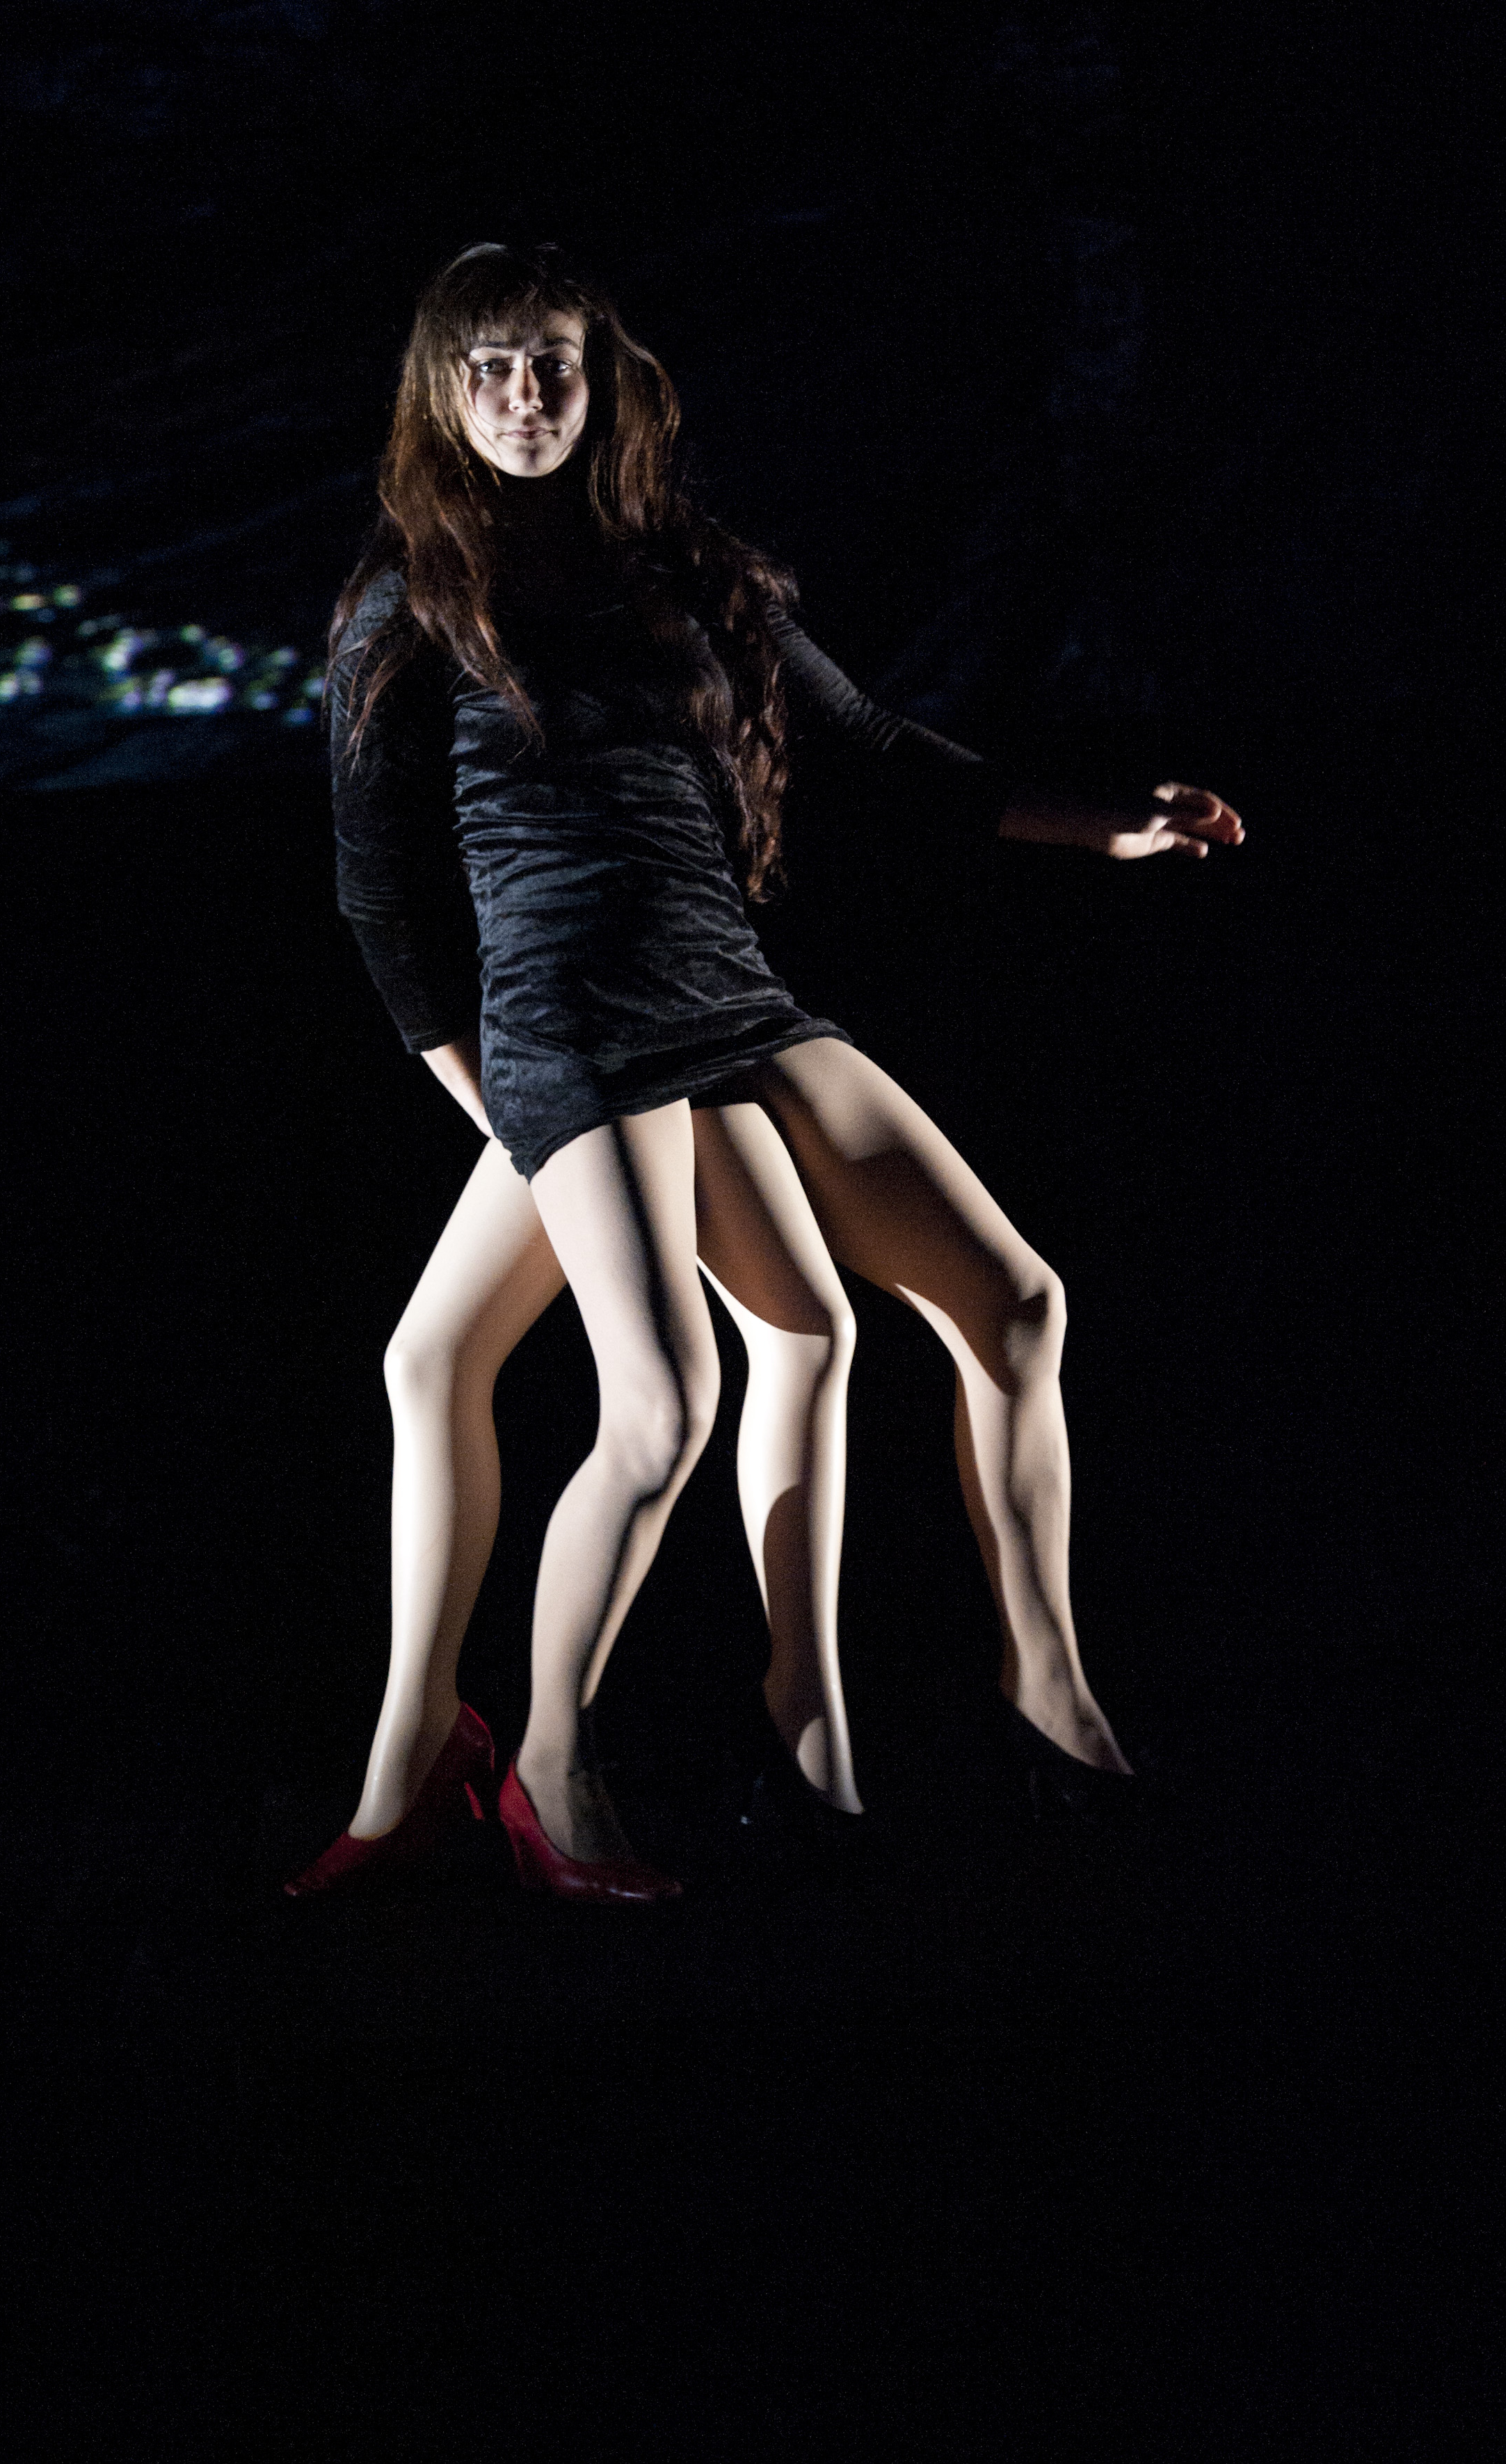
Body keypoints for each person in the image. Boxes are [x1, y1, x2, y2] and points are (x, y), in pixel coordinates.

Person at [291, 241, 1242, 1906]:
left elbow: (871, 745)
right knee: (662, 1403)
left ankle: (1041, 1691)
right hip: (567, 1029)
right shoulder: (412, 597)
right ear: (442, 393)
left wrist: (1101, 822)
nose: (523, 395)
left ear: (601, 376)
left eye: (551, 360)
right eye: (489, 368)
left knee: (1013, 1302)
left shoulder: (684, 566)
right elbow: (378, 899)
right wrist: (504, 1112)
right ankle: (549, 1765)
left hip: (728, 1003)